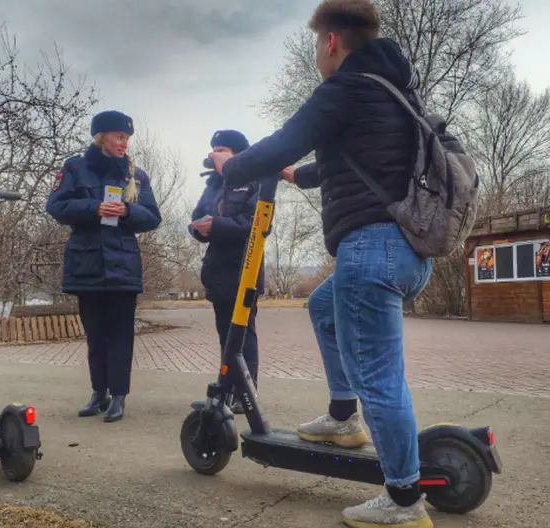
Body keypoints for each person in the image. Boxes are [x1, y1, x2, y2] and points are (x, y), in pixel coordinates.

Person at [208, 1, 434, 526]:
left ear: (331, 41)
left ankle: (403, 500)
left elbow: (285, 139)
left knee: (379, 378)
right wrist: (295, 176)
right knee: (322, 305)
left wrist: (230, 166)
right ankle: (341, 416)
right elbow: (353, 158)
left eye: (316, 45)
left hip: (369, 249)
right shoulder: (393, 91)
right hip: (407, 250)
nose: (316, 56)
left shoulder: (346, 87)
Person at [46, 110, 161, 423]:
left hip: (124, 265)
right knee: (95, 334)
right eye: (119, 136)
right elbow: (55, 206)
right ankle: (99, 392)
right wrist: (94, 208)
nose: (125, 143)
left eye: (127, 138)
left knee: (121, 334)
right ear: (102, 136)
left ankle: (119, 396)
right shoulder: (74, 168)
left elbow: (153, 217)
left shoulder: (136, 175)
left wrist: (126, 211)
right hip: (87, 263)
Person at [190, 130, 263, 414]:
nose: (214, 154)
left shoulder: (254, 183)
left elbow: (253, 224)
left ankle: (247, 394)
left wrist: (216, 226)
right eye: (214, 149)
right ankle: (227, 388)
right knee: (225, 334)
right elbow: (197, 216)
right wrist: (198, 228)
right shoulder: (212, 185)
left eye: (223, 149)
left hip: (244, 267)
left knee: (245, 335)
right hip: (217, 269)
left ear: (237, 155)